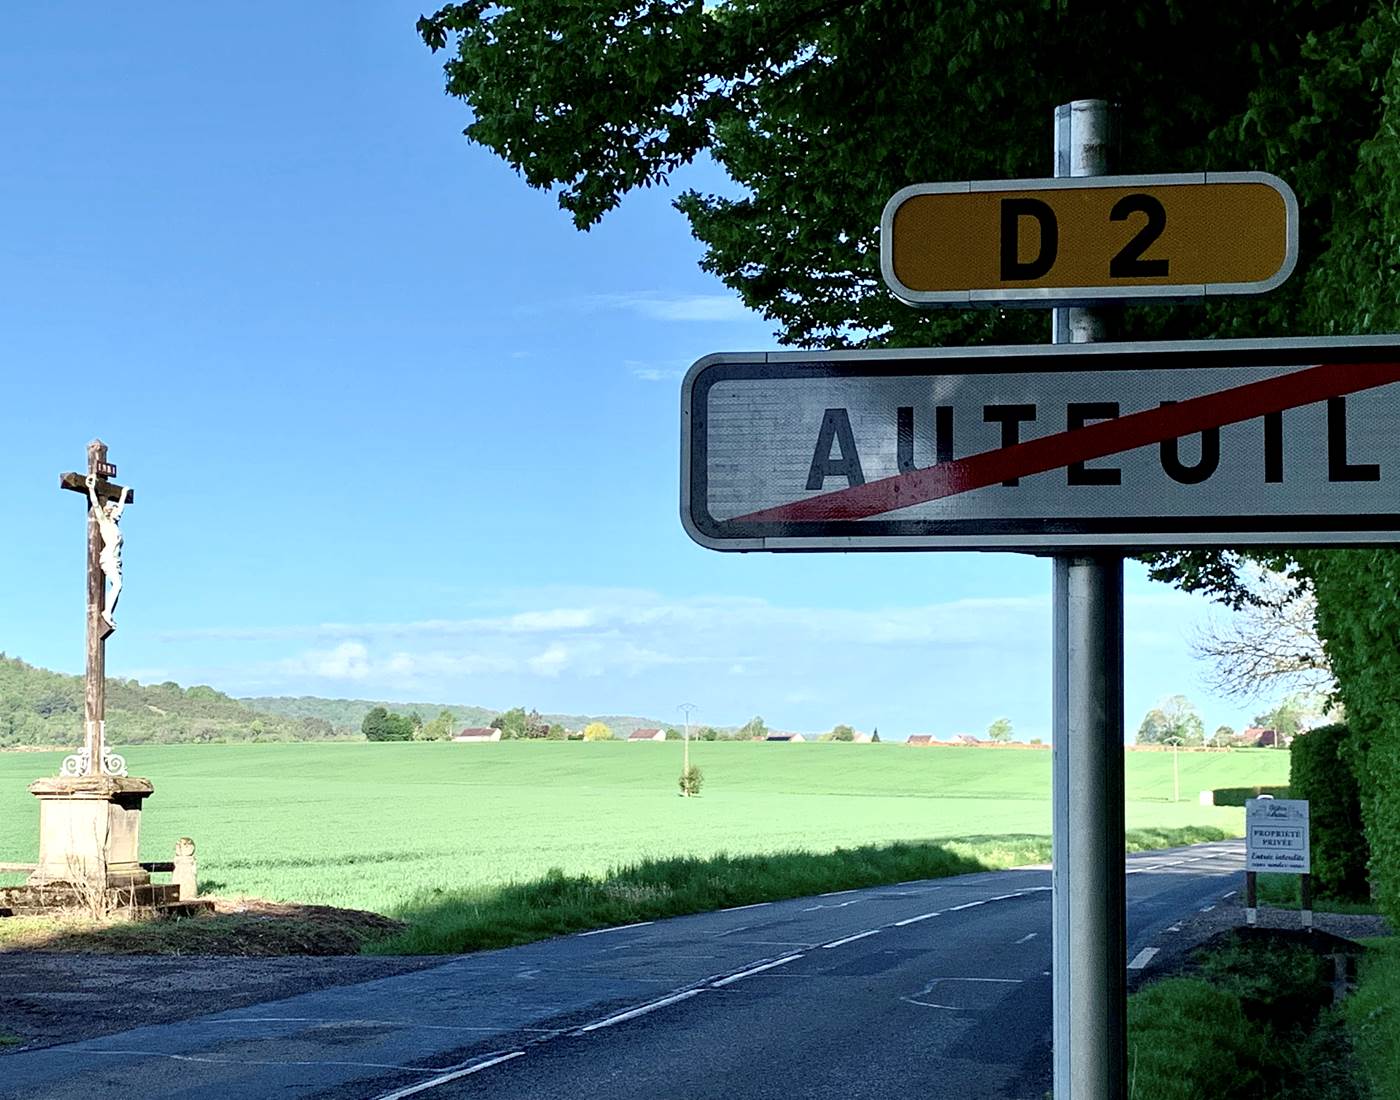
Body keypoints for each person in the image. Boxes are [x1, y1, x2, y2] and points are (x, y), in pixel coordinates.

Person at [86, 474, 130, 630]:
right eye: (113, 509)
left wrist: (123, 495)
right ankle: (106, 613)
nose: (116, 510)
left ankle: (108, 613)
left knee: (118, 585)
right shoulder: (104, 523)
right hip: (108, 558)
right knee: (117, 585)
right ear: (108, 512)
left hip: (116, 560)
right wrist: (91, 489)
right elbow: (96, 505)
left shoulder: (115, 525)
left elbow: (121, 509)